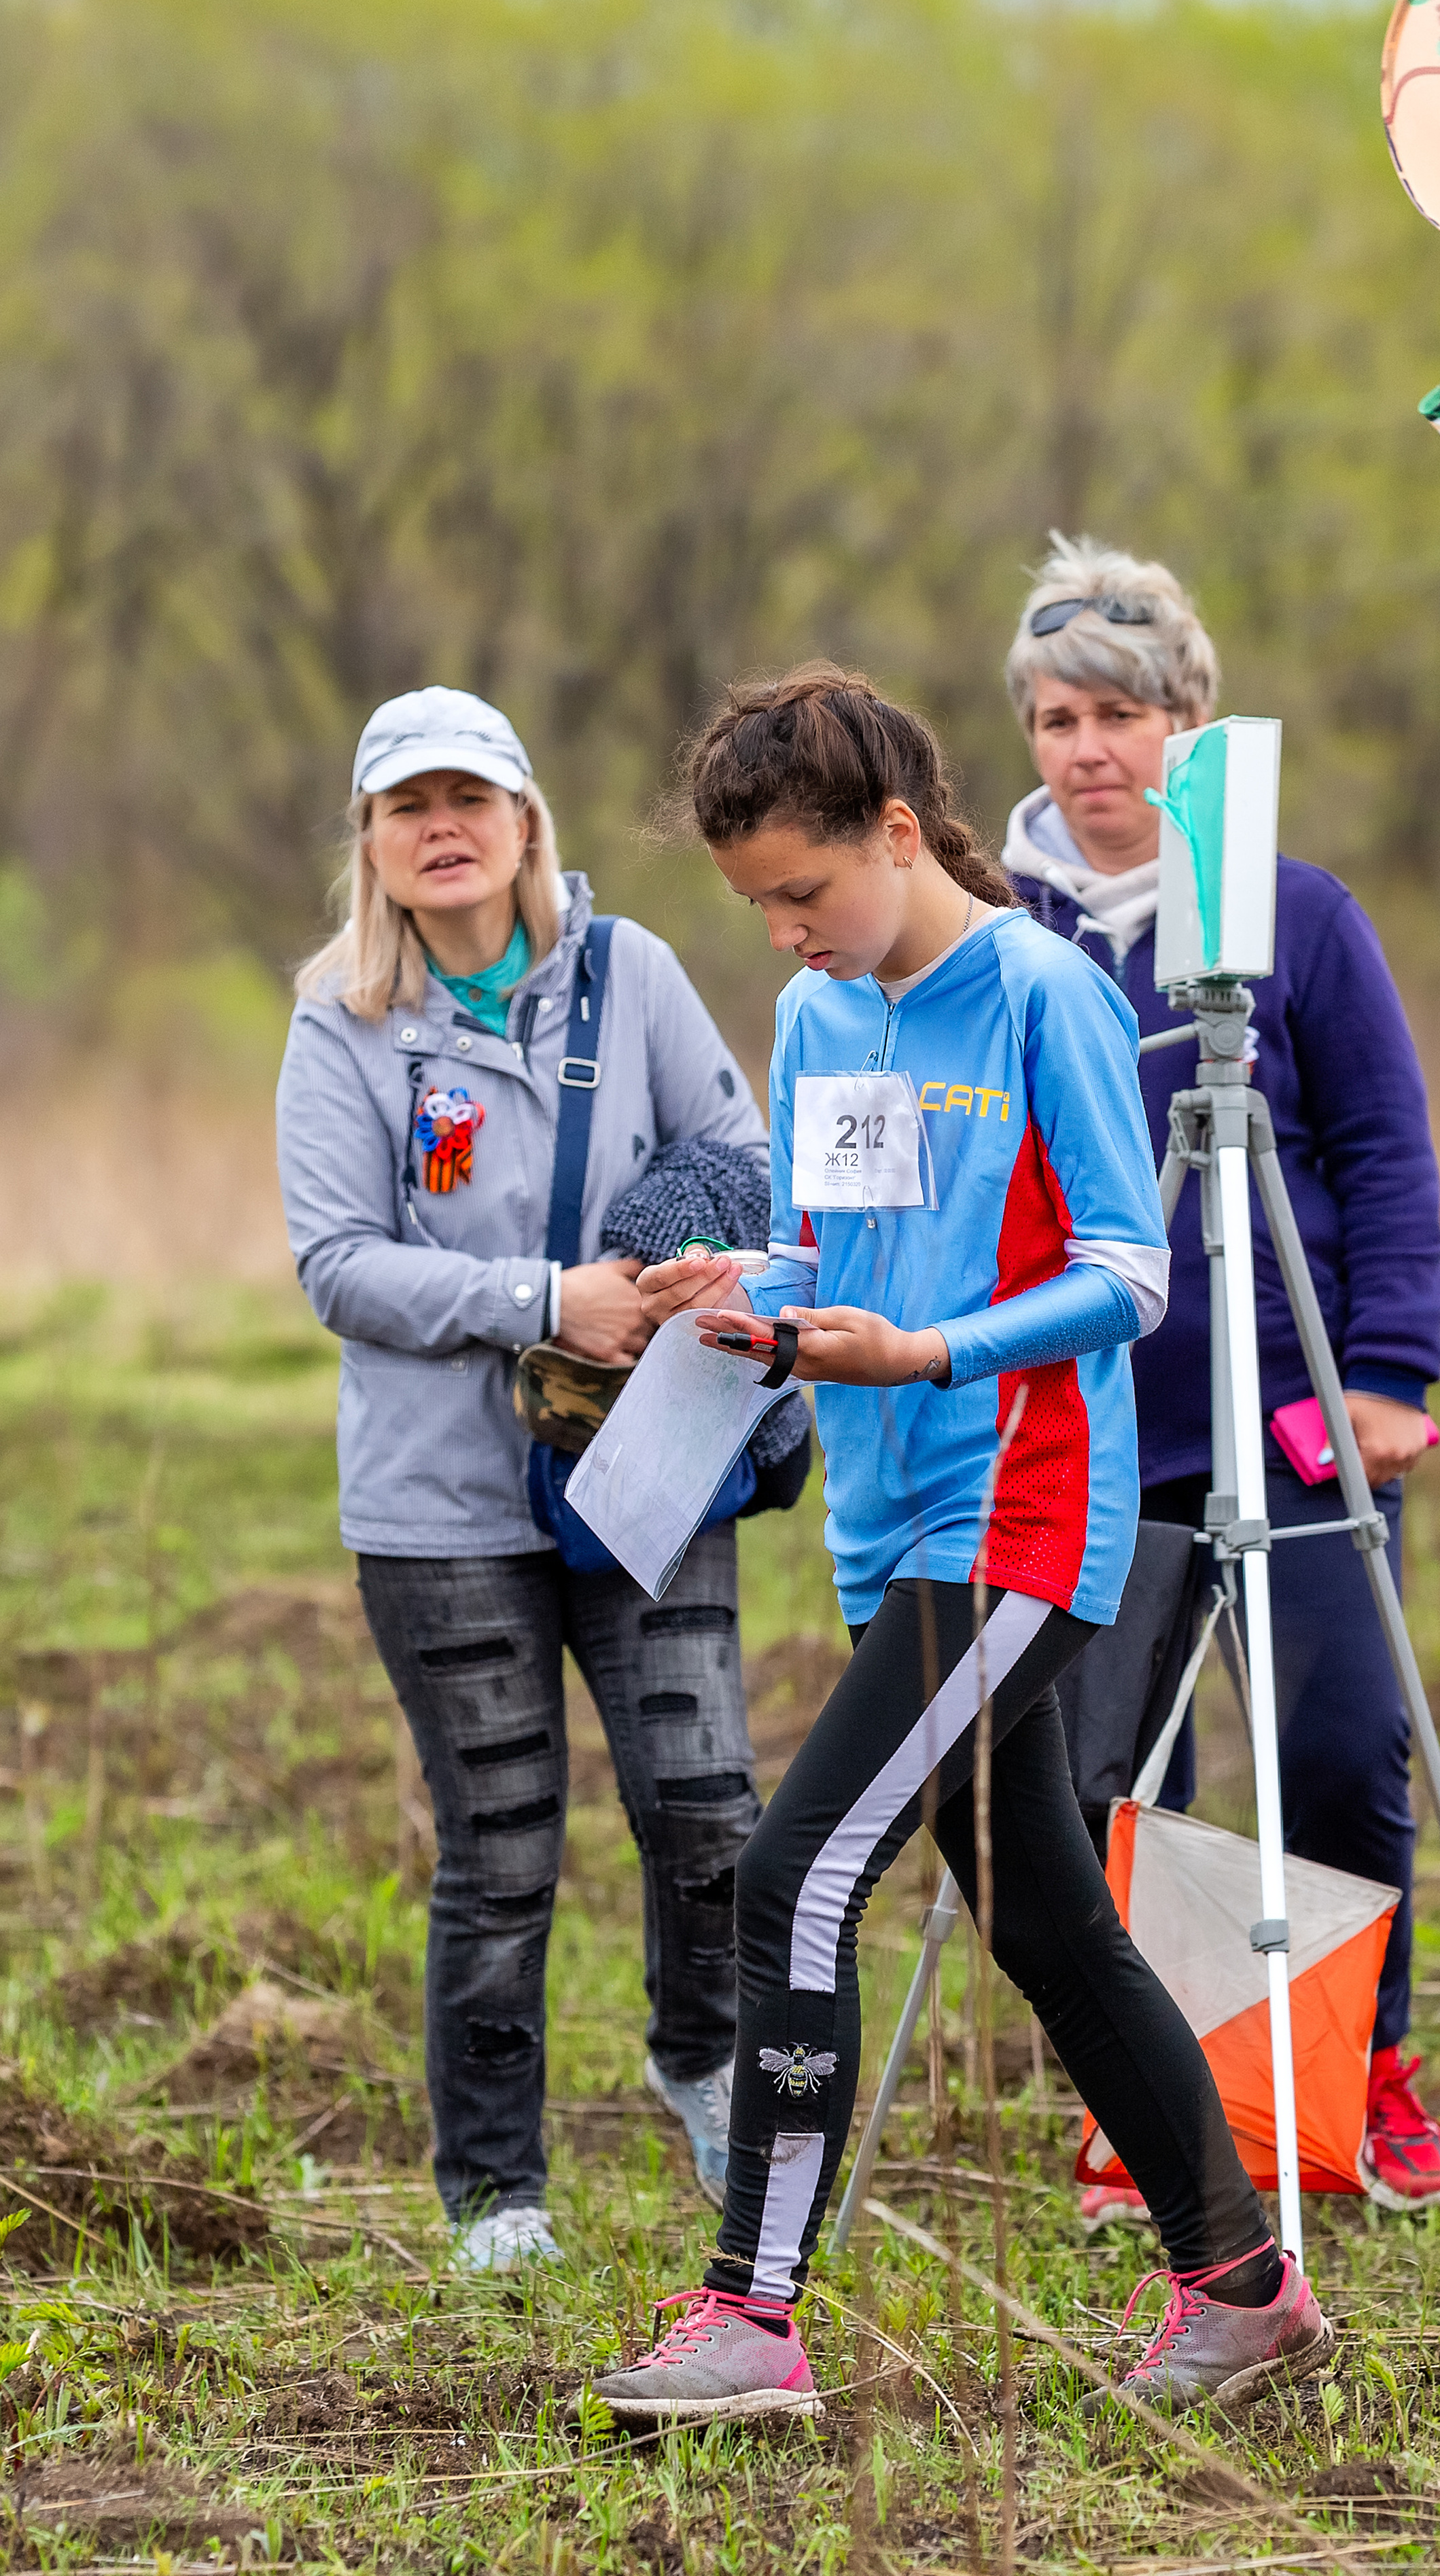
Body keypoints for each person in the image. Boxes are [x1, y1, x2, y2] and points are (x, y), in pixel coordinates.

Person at [588, 663, 1333, 2425]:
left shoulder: (1043, 995)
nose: (783, 935)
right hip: (886, 1527)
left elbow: (1132, 1274)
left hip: (1026, 1511)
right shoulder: (817, 1023)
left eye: (802, 892)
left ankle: (751, 2315)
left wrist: (932, 1352)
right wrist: (740, 1291)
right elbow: (835, 1251)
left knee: (797, 1874)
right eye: (757, 903)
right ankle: (1244, 2287)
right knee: (1047, 1920)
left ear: (901, 834)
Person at [277, 684, 796, 2270]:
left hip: (648, 1465)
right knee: (499, 1851)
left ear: (522, 822)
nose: (441, 829)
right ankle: (496, 2192)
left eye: (468, 800)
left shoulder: (628, 973)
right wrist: (540, 1301)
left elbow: (742, 1151)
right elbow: (337, 1265)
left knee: (706, 1815)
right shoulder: (341, 1017)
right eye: (405, 807)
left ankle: (702, 2064)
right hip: (438, 1510)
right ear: (371, 842)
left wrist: (671, 1265)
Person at [1000, 536, 1440, 2219]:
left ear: (1186, 723)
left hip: (1292, 1413)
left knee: (1335, 1747)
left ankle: (1356, 2071)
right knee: (1116, 1767)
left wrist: (1387, 1371)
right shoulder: (999, 929)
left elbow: (1384, 1156)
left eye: (1119, 712)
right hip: (1096, 1423)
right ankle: (1166, 2098)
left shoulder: (1295, 913)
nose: (1087, 749)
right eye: (1056, 718)